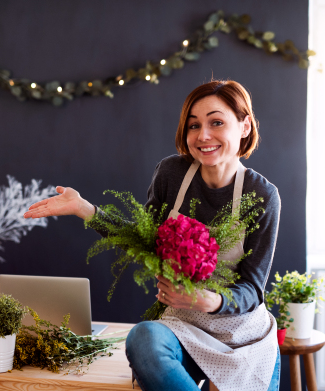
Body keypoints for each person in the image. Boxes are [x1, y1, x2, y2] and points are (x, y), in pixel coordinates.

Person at [24, 80, 281, 391]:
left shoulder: (263, 195)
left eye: (217, 122)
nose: (203, 136)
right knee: (143, 337)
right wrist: (84, 209)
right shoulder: (171, 174)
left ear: (244, 126)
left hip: (243, 338)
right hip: (184, 326)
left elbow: (253, 289)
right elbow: (142, 240)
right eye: (194, 125)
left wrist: (208, 299)